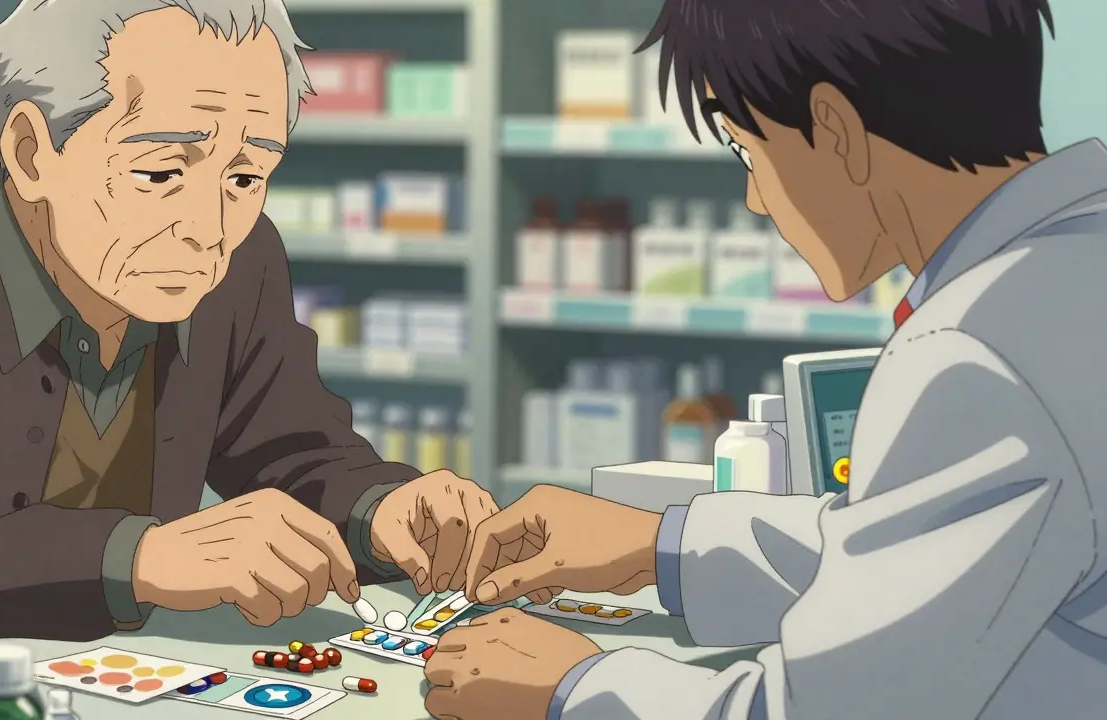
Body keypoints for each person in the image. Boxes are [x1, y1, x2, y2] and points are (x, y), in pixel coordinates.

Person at [424, 0, 1107, 718]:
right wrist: (658, 542)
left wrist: (575, 687)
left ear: (836, 129)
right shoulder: (1065, 268)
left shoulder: (977, 349)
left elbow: (829, 708)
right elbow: (922, 556)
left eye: (746, 148)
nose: (754, 198)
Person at [0, 0, 500, 641]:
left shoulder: (245, 257)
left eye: (244, 177)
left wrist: (377, 509)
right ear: (32, 152)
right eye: (158, 173)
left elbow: (288, 447)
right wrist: (142, 559)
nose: (208, 230)